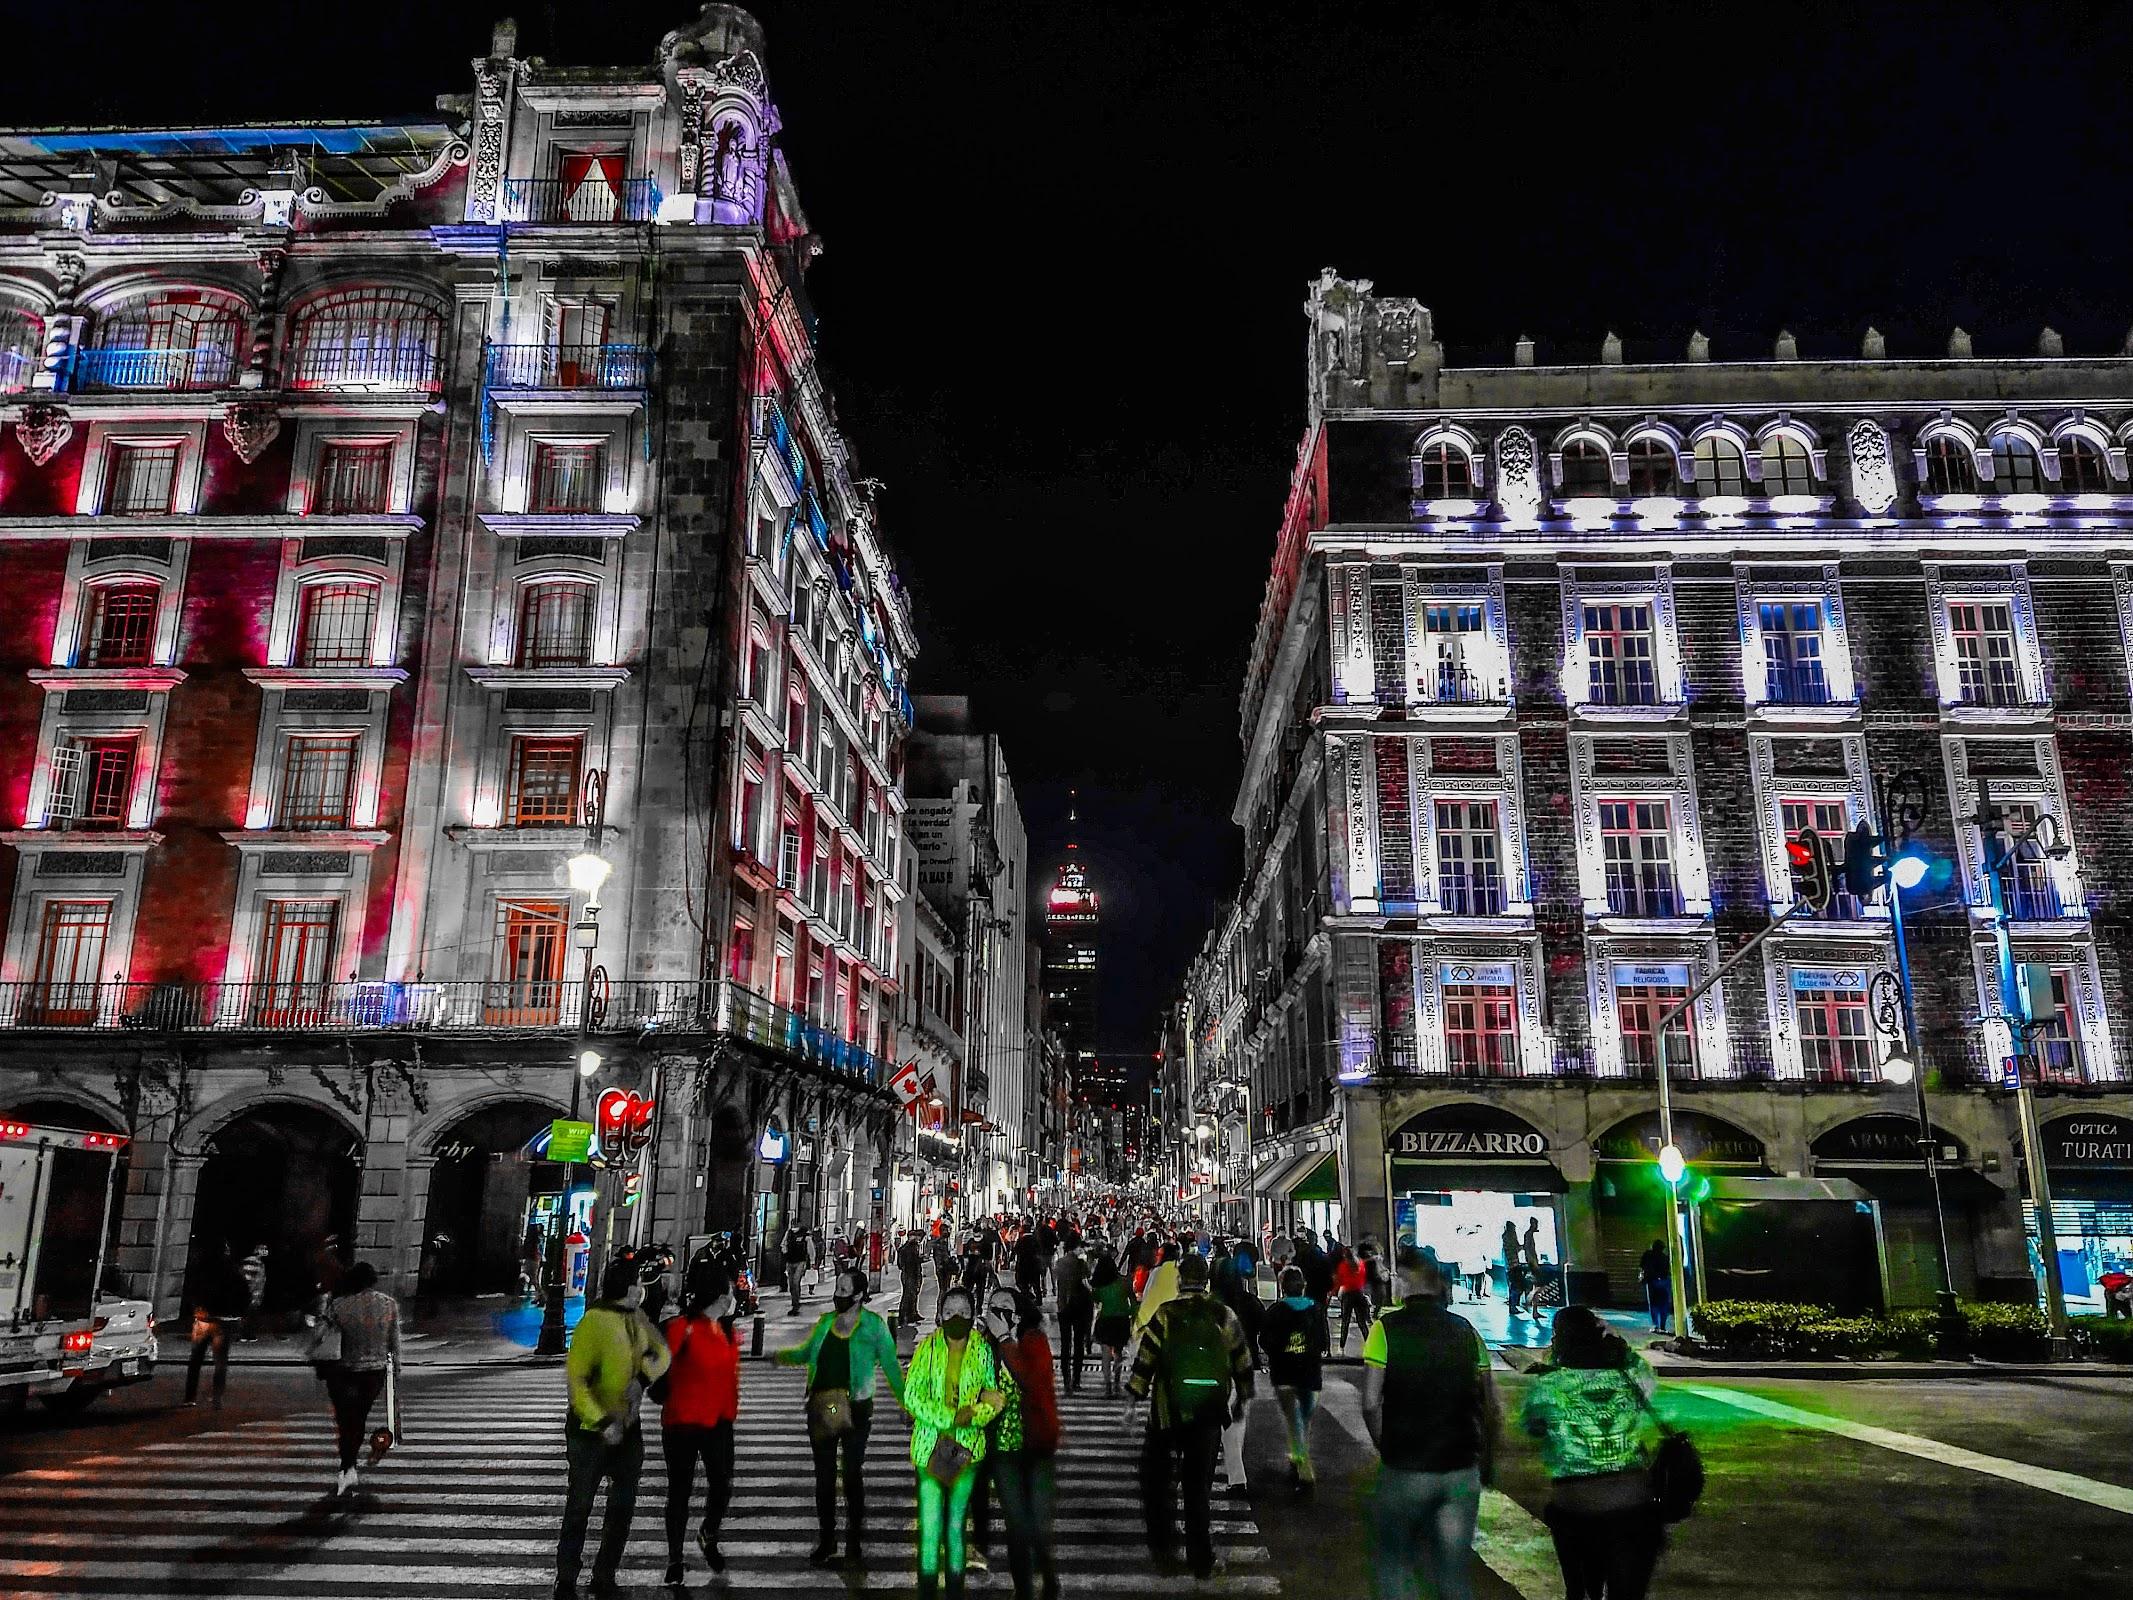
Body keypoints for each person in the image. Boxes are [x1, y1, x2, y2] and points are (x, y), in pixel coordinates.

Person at [1359, 1249, 1499, 1600]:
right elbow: (1491, 1406)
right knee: (1453, 1572)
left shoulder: (1384, 1331)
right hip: (1459, 1466)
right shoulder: (1467, 1332)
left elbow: (1370, 1402)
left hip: (1406, 1464)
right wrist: (1487, 1461)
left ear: (1404, 1283)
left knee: (1396, 1563)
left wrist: (1384, 1445)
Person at [1519, 1305, 1666, 1600]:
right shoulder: (1631, 1375)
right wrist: (1616, 1339)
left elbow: (1532, 1426)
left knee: (1580, 1588)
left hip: (1575, 1502)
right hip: (1631, 1499)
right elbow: (1648, 1377)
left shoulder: (1550, 1383)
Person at [1126, 1252, 1254, 1582]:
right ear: (1207, 1280)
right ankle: (1201, 1559)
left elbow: (1146, 1359)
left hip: (1167, 1415)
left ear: (1180, 1280)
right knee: (1198, 1492)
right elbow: (1242, 1360)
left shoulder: (1166, 1314)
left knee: (1158, 1485)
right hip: (1209, 1415)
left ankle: (1164, 1552)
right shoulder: (1223, 1315)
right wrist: (1241, 1399)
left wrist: (1134, 1398)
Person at [557, 1255, 671, 1600]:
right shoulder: (593, 1322)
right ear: (627, 1286)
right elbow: (578, 1383)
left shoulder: (638, 1318)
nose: (643, 1288)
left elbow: (662, 1354)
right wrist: (602, 1421)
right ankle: (566, 1578)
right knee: (579, 1507)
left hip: (628, 1429)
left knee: (622, 1508)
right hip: (590, 1433)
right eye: (638, 1282)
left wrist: (641, 1378)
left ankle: (605, 1574)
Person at [774, 1265, 903, 1565]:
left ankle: (854, 1540)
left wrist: (906, 1403)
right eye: (838, 1290)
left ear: (859, 1295)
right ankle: (827, 1538)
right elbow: (808, 1353)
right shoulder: (825, 1322)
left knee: (852, 1475)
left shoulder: (874, 1326)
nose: (838, 1295)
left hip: (856, 1407)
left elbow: (892, 1367)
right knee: (824, 1477)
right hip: (822, 1406)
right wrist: (782, 1356)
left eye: (844, 1291)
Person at [903, 1287, 1006, 1600]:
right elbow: (912, 1396)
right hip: (929, 1451)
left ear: (973, 1316)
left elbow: (994, 1395)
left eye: (962, 1312)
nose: (955, 1318)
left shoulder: (982, 1350)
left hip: (968, 1453)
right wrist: (948, 1417)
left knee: (956, 1527)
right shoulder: (927, 1349)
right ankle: (927, 1589)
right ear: (940, 1316)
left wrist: (974, 1415)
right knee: (931, 1528)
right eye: (949, 1313)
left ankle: (956, 1590)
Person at [977, 1287, 1062, 1600]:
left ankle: (1050, 1579)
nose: (998, 1312)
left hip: (1037, 1442)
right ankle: (1023, 1590)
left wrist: (1003, 1340)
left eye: (1005, 1307)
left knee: (1039, 1528)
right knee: (1016, 1525)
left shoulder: (1032, 1341)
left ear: (1019, 1313)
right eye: (992, 1306)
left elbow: (1031, 1380)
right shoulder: (984, 1347)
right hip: (1002, 1449)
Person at [659, 1270, 742, 1585]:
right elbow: (659, 1367)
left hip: (719, 1423)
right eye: (730, 1294)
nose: (733, 1299)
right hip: (682, 1422)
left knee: (722, 1486)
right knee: (679, 1491)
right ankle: (675, 1559)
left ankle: (708, 1532)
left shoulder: (726, 1330)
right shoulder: (682, 1328)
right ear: (721, 1299)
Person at [315, 1260, 400, 1498]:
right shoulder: (388, 1304)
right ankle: (349, 1467)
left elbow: (321, 1336)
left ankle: (347, 1466)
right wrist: (396, 1369)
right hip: (374, 1371)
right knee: (359, 1417)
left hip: (344, 1370)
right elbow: (394, 1341)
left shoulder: (339, 1305)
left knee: (345, 1420)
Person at [1258, 1265, 1329, 1496]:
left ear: (1282, 1286)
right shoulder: (1317, 1310)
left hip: (1284, 1373)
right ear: (1303, 1286)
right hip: (1310, 1373)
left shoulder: (1276, 1311)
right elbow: (1323, 1341)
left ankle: (1304, 1468)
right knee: (1303, 1421)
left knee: (1293, 1419)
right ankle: (1297, 1457)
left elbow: (1265, 1341)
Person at [184, 1243, 249, 1408]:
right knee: (220, 1362)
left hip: (204, 1319)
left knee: (196, 1360)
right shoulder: (234, 1272)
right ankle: (217, 1398)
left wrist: (196, 1307)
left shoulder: (203, 1269)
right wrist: (238, 1313)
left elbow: (192, 1288)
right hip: (223, 1321)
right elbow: (244, 1294)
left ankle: (190, 1397)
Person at [1090, 1251, 1135, 1397]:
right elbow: (1133, 1303)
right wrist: (1133, 1316)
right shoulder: (1124, 1282)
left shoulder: (1099, 1286)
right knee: (1118, 1354)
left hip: (1105, 1320)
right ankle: (1117, 1384)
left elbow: (1096, 1302)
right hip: (1121, 1320)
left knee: (1105, 1355)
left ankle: (1107, 1386)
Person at [1053, 1240, 1094, 1395]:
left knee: (1065, 1345)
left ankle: (1066, 1382)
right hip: (1079, 1307)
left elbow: (1058, 1281)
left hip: (1063, 1307)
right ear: (1076, 1248)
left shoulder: (1060, 1263)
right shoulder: (1080, 1263)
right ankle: (1076, 1380)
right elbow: (1087, 1281)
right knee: (1078, 1345)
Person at [1333, 1246, 1373, 1348]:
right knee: (1361, 1322)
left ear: (1344, 1255)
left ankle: (1341, 1346)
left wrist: (1336, 1291)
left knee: (1345, 1322)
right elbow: (1363, 1279)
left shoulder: (1343, 1266)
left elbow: (1340, 1280)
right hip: (1359, 1293)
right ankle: (1369, 1344)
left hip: (1347, 1294)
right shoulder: (1361, 1264)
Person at [1638, 1240, 1671, 1333]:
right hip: (1663, 1281)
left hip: (1651, 1281)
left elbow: (1642, 1267)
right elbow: (1667, 1269)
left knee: (1653, 1304)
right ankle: (1663, 1326)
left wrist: (1642, 1276)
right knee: (1663, 1305)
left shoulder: (1648, 1255)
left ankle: (1655, 1325)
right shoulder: (1664, 1257)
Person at [897, 1230, 926, 1330]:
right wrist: (920, 1260)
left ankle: (911, 1315)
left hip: (911, 1274)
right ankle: (905, 1318)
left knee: (912, 1295)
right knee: (908, 1296)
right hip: (910, 1274)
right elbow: (909, 1262)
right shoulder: (909, 1248)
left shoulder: (907, 1248)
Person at [783, 1224, 811, 1317]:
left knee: (795, 1282)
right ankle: (794, 1302)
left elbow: (810, 1247)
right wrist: (785, 1251)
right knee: (791, 1284)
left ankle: (796, 1305)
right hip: (790, 1261)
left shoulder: (805, 1234)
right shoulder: (789, 1233)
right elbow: (783, 1244)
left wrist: (813, 1260)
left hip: (800, 1261)